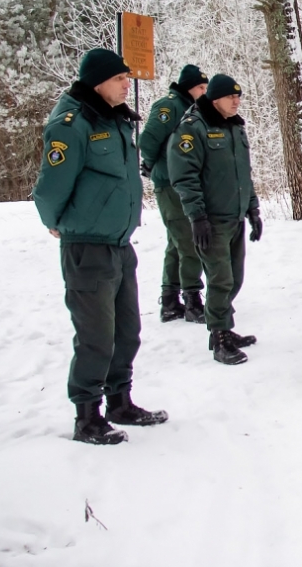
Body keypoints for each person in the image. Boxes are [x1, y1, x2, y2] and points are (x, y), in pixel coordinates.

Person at [32, 48, 169, 446]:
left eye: (127, 77)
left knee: (127, 331)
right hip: (87, 246)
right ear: (98, 82)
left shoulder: (113, 119)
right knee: (96, 335)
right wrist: (56, 223)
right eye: (120, 78)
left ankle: (120, 402)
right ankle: (87, 416)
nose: (128, 83)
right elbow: (50, 188)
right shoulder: (72, 123)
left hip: (120, 245)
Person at [168, 74, 263, 366]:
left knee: (234, 277)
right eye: (230, 97)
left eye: (239, 97)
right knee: (220, 279)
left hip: (234, 217)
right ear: (214, 99)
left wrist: (253, 209)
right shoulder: (193, 128)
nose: (236, 101)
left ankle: (224, 327)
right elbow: (185, 177)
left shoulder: (235, 128)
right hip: (211, 220)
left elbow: (242, 174)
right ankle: (219, 336)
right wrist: (197, 217)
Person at [139, 63, 211, 323]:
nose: (205, 92)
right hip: (170, 182)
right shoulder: (170, 106)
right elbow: (148, 140)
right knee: (188, 240)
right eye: (201, 88)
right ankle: (193, 300)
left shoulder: (191, 108)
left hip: (181, 181)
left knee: (175, 241)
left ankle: (170, 300)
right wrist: (153, 162)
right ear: (188, 87)